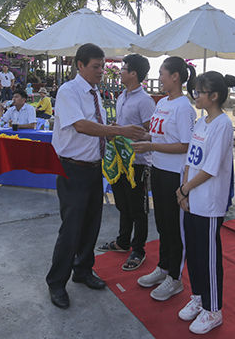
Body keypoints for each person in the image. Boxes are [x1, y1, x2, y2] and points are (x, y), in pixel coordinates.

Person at [46, 43, 146, 309]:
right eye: (96, 66)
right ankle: (56, 283)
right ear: (80, 65)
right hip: (72, 168)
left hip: (93, 167)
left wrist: (111, 129)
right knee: (71, 228)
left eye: (103, 66)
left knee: (91, 224)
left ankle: (82, 270)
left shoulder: (94, 92)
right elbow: (80, 126)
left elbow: (95, 125)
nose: (102, 71)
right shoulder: (70, 91)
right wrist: (119, 132)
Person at [176, 71, 235, 335]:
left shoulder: (223, 124)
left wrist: (185, 188)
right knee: (195, 253)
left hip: (210, 203)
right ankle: (199, 296)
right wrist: (184, 192)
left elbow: (210, 168)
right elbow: (191, 159)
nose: (195, 95)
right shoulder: (201, 122)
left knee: (210, 257)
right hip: (192, 199)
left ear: (214, 95)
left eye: (200, 92)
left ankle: (214, 309)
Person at [132, 56, 196, 301]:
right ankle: (164, 267)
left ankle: (176, 279)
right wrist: (143, 136)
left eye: (162, 73)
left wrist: (152, 145)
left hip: (175, 174)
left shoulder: (183, 107)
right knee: (162, 223)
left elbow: (185, 145)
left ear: (175, 77)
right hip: (157, 170)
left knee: (175, 227)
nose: (159, 78)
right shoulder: (161, 104)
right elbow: (158, 135)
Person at [97, 54, 155, 271]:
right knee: (122, 203)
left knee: (138, 208)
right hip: (120, 161)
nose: (119, 71)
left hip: (137, 162)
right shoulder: (122, 96)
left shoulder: (145, 101)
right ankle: (123, 242)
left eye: (124, 68)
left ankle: (138, 249)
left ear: (133, 74)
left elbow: (152, 131)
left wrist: (132, 137)